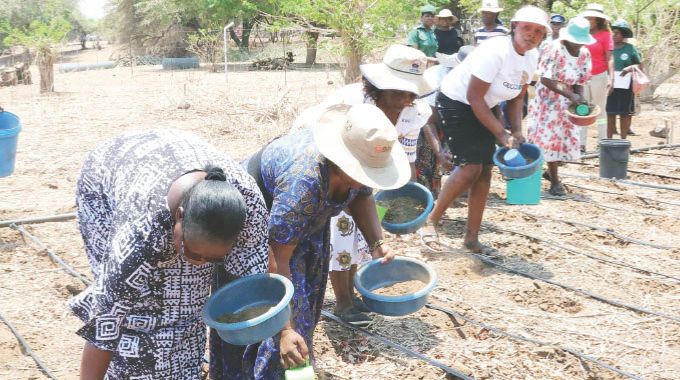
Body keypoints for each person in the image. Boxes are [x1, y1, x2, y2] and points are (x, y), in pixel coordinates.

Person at [211, 104, 410, 379]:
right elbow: (277, 258)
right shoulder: (303, 184)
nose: (365, 180)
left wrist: (377, 243)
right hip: (257, 230)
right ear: (342, 162)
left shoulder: (354, 168)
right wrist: (285, 329)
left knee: (303, 313)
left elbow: (363, 195)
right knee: (267, 324)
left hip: (301, 229)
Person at [69, 129, 269, 379]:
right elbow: (105, 325)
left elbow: (259, 282)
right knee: (134, 311)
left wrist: (285, 329)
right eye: (195, 254)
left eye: (213, 260)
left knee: (189, 307)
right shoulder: (140, 232)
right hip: (106, 176)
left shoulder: (249, 206)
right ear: (180, 216)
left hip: (177, 169)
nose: (200, 265)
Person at [289, 44, 433, 325]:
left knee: (361, 232)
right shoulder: (351, 104)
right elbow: (327, 146)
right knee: (341, 226)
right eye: (397, 91)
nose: (405, 98)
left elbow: (406, 154)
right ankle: (343, 302)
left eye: (410, 92)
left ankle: (352, 293)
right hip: (327, 154)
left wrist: (407, 195)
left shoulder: (415, 112)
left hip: (366, 162)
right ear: (377, 85)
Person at [423, 6, 549, 252]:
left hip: (484, 105)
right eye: (526, 28)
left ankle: (471, 238)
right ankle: (430, 222)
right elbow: (473, 96)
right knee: (470, 167)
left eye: (538, 31)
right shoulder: (496, 51)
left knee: (485, 171)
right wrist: (501, 133)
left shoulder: (532, 57)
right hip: (457, 101)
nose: (531, 34)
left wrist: (517, 131)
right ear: (514, 26)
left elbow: (516, 97)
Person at [527, 17, 594, 196]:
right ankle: (555, 182)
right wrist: (571, 95)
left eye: (581, 42)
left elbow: (581, 79)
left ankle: (551, 171)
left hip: (567, 101)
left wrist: (578, 97)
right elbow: (546, 79)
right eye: (575, 41)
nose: (578, 45)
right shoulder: (553, 49)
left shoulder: (585, 53)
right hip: (547, 101)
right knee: (550, 140)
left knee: (565, 140)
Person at [580, 3, 614, 151]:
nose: (588, 20)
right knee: (582, 109)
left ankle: (602, 142)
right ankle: (581, 144)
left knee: (600, 109)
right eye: (586, 17)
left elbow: (610, 58)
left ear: (598, 19)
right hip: (582, 76)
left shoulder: (605, 35)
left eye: (590, 18)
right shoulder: (581, 33)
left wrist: (611, 77)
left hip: (599, 76)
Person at [606, 19, 643, 139]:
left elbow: (640, 65)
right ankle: (609, 140)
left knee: (624, 113)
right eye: (613, 32)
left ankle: (623, 140)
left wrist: (629, 68)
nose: (614, 35)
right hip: (610, 85)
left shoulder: (630, 48)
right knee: (610, 113)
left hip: (625, 85)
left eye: (617, 33)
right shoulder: (609, 48)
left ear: (623, 35)